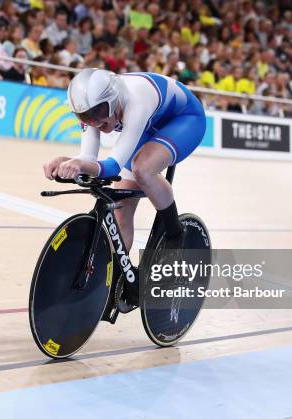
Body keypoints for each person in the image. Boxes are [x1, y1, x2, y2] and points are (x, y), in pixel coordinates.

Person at [42, 69, 206, 303]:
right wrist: (68, 162)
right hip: (147, 127)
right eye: (85, 116)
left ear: (113, 99)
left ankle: (175, 234)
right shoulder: (93, 108)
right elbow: (88, 159)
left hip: (184, 119)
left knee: (143, 169)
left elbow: (113, 166)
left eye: (98, 113)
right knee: (120, 208)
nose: (94, 122)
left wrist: (79, 165)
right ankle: (123, 281)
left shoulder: (136, 100)